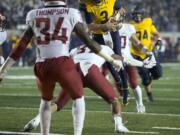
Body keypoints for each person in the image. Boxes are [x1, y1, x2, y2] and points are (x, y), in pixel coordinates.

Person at [0, 0, 122, 135]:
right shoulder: (71, 13)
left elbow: (21, 46)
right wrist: (111, 59)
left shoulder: (33, 14)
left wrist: (3, 70)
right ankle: (77, 133)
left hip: (41, 66)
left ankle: (44, 132)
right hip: (62, 63)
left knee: (46, 101)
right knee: (78, 97)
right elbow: (90, 42)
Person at [24, 42, 129, 133]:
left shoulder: (76, 49)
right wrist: (141, 63)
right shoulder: (105, 48)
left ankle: (36, 120)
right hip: (90, 70)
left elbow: (65, 61)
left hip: (73, 72)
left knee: (58, 104)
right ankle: (118, 125)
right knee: (114, 100)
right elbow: (122, 59)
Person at [103, 19, 155, 113]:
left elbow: (137, 43)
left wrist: (147, 52)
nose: (115, 21)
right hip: (115, 60)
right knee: (118, 82)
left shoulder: (128, 27)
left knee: (133, 83)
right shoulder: (107, 29)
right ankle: (122, 98)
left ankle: (140, 104)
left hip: (127, 59)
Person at [130, 5, 163, 102]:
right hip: (137, 55)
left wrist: (159, 40)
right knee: (145, 78)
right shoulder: (130, 25)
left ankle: (149, 80)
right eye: (135, 14)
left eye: (139, 14)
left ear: (143, 15)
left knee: (158, 73)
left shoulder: (148, 21)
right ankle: (149, 94)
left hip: (149, 53)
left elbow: (156, 34)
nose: (137, 16)